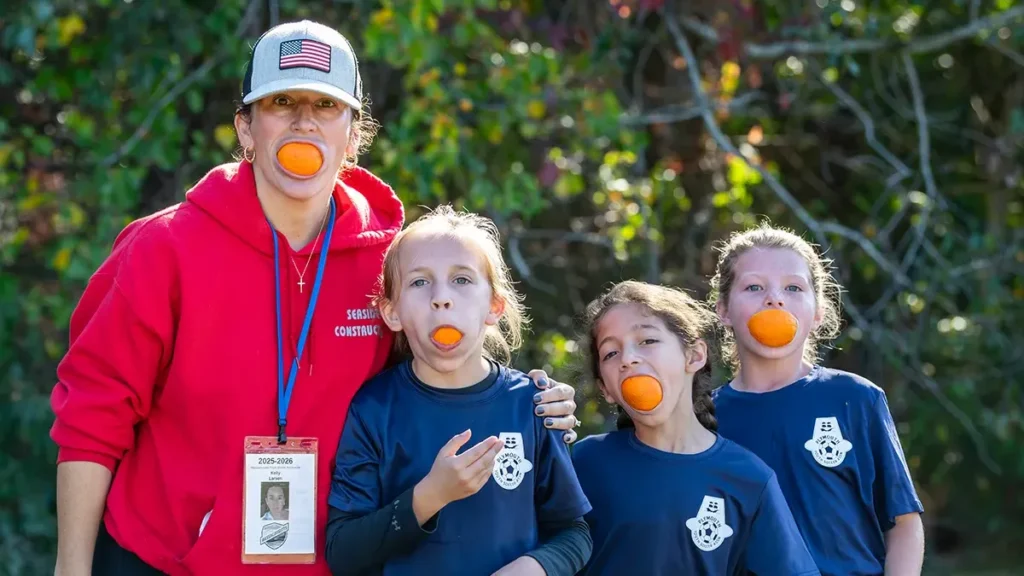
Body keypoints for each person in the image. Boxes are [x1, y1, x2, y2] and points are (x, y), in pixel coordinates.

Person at [49, 20, 581, 576]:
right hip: (163, 561)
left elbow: (442, 374)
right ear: (246, 128)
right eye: (282, 101)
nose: (304, 121)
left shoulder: (393, 262)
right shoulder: (163, 247)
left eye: (326, 106)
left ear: (353, 135)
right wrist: (71, 567)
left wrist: (533, 404)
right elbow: (93, 417)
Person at [324, 206, 593, 576]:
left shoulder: (532, 405)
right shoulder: (373, 408)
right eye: (419, 282)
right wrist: (429, 497)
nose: (441, 298)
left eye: (462, 280)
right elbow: (343, 552)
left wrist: (535, 568)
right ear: (392, 313)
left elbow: (573, 531)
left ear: (494, 306)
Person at [709, 223, 926, 576]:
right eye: (753, 287)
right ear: (723, 310)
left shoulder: (856, 398)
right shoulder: (704, 419)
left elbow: (902, 522)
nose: (774, 299)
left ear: (818, 311)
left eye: (793, 287)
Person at [571, 280, 819, 575]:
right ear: (605, 389)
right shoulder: (585, 462)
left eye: (647, 341)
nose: (628, 359)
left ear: (694, 356)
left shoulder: (749, 477)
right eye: (610, 353)